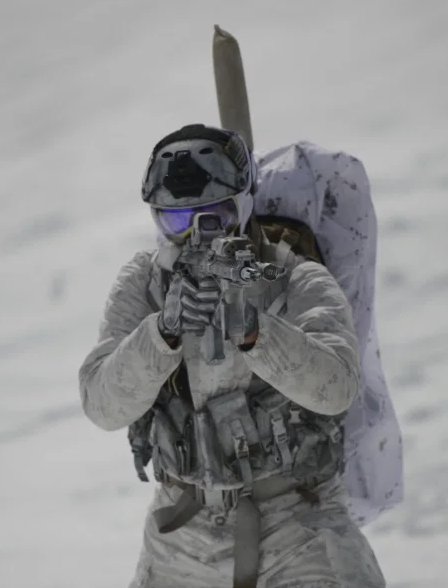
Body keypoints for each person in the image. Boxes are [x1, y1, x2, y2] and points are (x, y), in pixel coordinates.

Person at [79, 123, 391, 587]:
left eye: (214, 216)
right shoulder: (143, 284)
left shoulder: (298, 280)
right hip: (183, 536)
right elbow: (102, 404)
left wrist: (257, 332)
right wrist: (162, 333)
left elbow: (337, 386)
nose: (196, 237)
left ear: (243, 206)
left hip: (299, 523)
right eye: (178, 221)